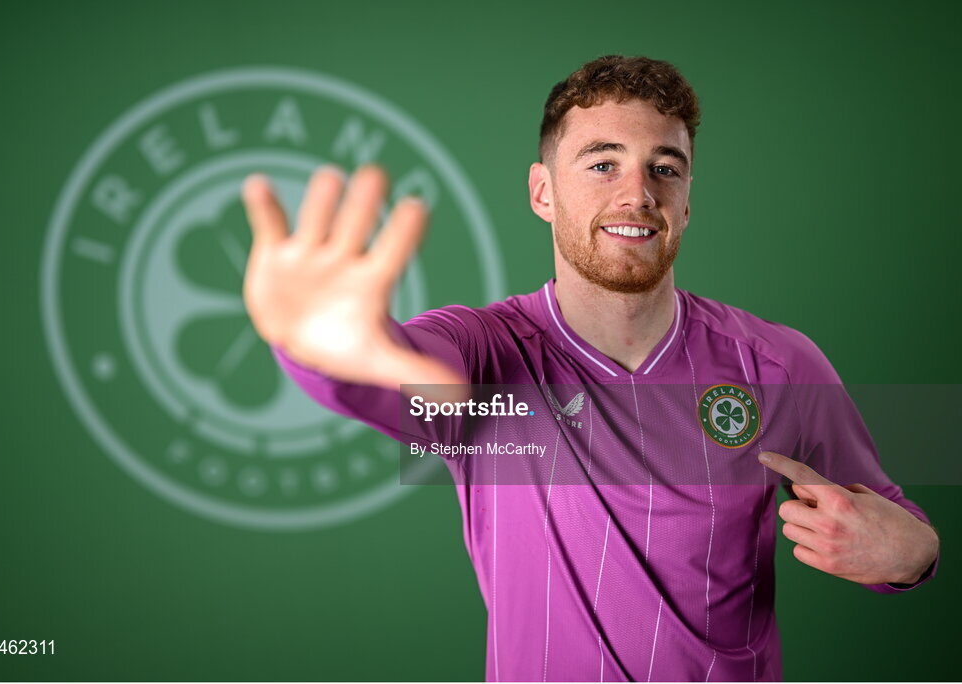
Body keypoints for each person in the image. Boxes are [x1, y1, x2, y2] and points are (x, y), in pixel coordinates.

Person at [240, 55, 940, 682]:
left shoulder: (779, 365)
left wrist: (910, 555)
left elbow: (897, 530)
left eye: (664, 168)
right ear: (543, 192)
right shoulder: (486, 356)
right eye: (603, 163)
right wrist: (319, 348)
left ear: (687, 201)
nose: (637, 193)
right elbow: (386, 373)